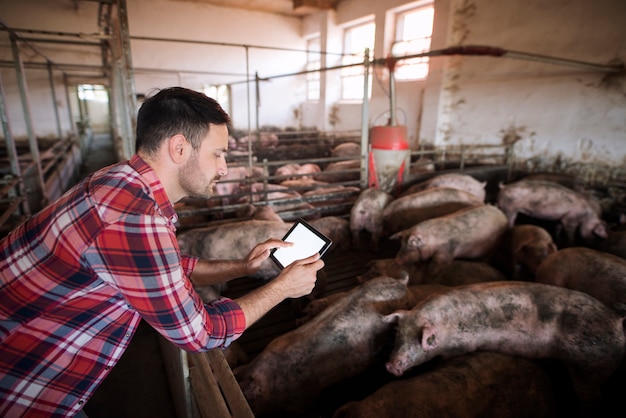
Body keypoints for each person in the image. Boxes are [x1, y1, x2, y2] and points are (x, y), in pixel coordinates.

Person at [0, 87, 324, 417]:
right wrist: (283, 287)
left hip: (29, 358)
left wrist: (241, 267)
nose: (224, 168)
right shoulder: (138, 219)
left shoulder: (117, 181)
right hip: (25, 386)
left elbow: (162, 266)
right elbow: (203, 333)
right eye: (217, 154)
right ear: (180, 148)